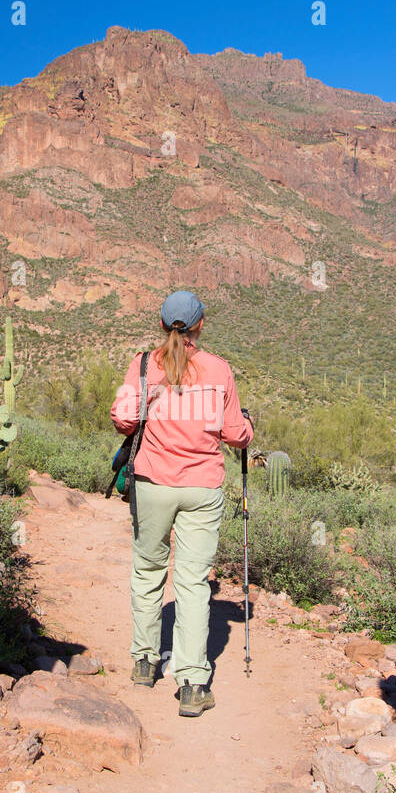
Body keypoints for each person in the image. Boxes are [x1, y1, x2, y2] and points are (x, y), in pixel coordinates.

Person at [109, 290, 254, 717]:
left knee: (148, 567)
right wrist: (246, 425)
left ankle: (144, 660)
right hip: (202, 487)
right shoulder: (219, 369)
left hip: (153, 482)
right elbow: (235, 435)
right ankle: (191, 683)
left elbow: (122, 419)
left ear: (161, 324)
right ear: (200, 325)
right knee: (192, 582)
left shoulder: (144, 365)